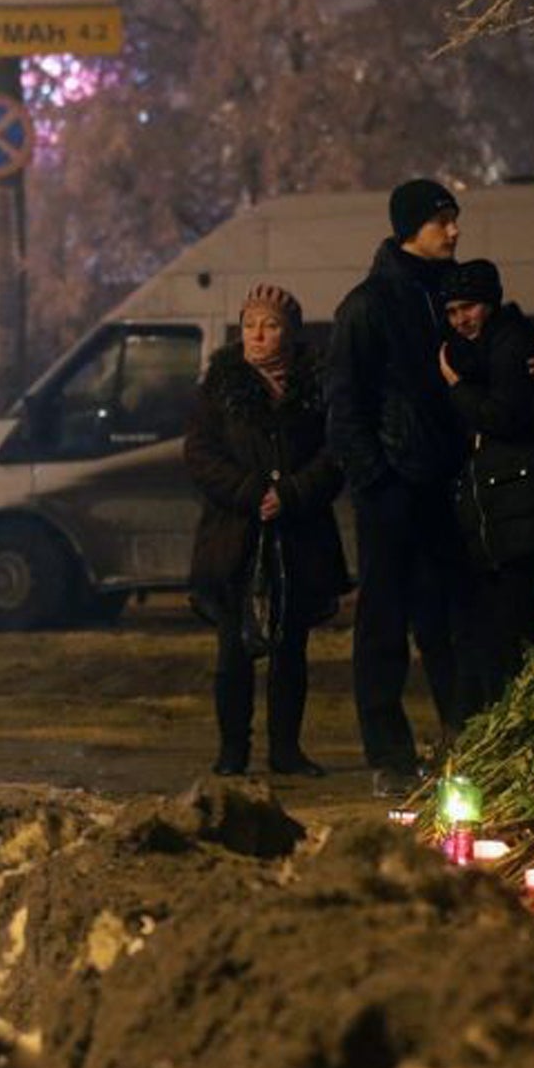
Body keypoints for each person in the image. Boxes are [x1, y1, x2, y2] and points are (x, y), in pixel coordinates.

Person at [326, 178, 468, 795]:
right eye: (442, 221)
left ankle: (463, 739)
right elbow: (345, 404)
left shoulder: (458, 294)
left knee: (448, 624)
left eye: (454, 219)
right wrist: (377, 480)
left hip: (442, 485)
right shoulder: (368, 304)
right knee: (384, 629)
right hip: (393, 490)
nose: (454, 231)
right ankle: (389, 755)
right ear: (411, 226)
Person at [186, 284, 348, 777]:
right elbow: (200, 454)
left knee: (290, 650)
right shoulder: (220, 386)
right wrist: (249, 491)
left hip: (298, 536)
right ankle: (233, 751)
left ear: (290, 332)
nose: (258, 334)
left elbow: (336, 451)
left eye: (271, 324)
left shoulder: (315, 385)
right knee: (233, 651)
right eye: (250, 323)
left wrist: (294, 492)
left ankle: (286, 751)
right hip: (235, 536)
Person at [437, 259, 534, 722]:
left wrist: (456, 388)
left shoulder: (510, 346)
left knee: (511, 635)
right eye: (452, 311)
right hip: (502, 515)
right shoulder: (485, 348)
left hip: (521, 512)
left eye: (468, 307)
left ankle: (524, 728)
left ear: (490, 304)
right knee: (498, 635)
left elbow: (504, 417)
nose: (460, 319)